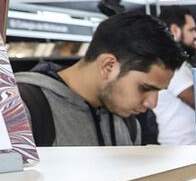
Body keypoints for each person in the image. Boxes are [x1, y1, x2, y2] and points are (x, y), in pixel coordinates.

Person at [16, 12, 186, 147]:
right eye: (145, 88)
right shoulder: (23, 109)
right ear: (108, 66)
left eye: (158, 91)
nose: (152, 103)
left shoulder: (128, 124)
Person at [154, 6, 196, 145]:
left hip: (185, 146)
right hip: (180, 148)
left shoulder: (181, 63)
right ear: (175, 30)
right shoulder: (172, 65)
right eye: (191, 30)